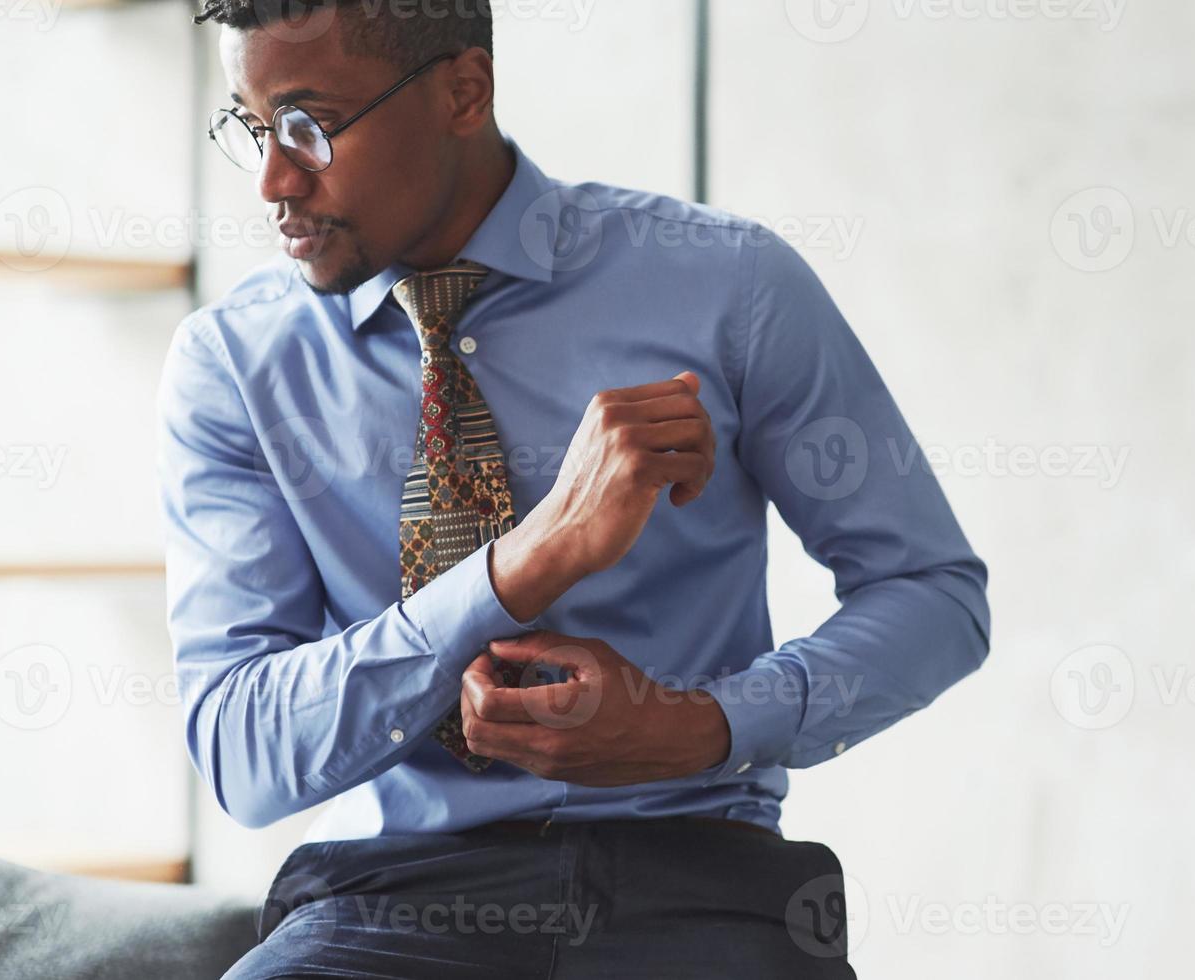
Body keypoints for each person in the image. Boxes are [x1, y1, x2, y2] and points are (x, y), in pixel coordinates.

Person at [157, 1, 992, 975]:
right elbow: (243, 751)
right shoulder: (234, 366)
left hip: (701, 885)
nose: (273, 180)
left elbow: (935, 594)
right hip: (384, 903)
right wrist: (522, 565)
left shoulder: (728, 286)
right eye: (251, 127)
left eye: (309, 125)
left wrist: (702, 724)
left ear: (463, 91)